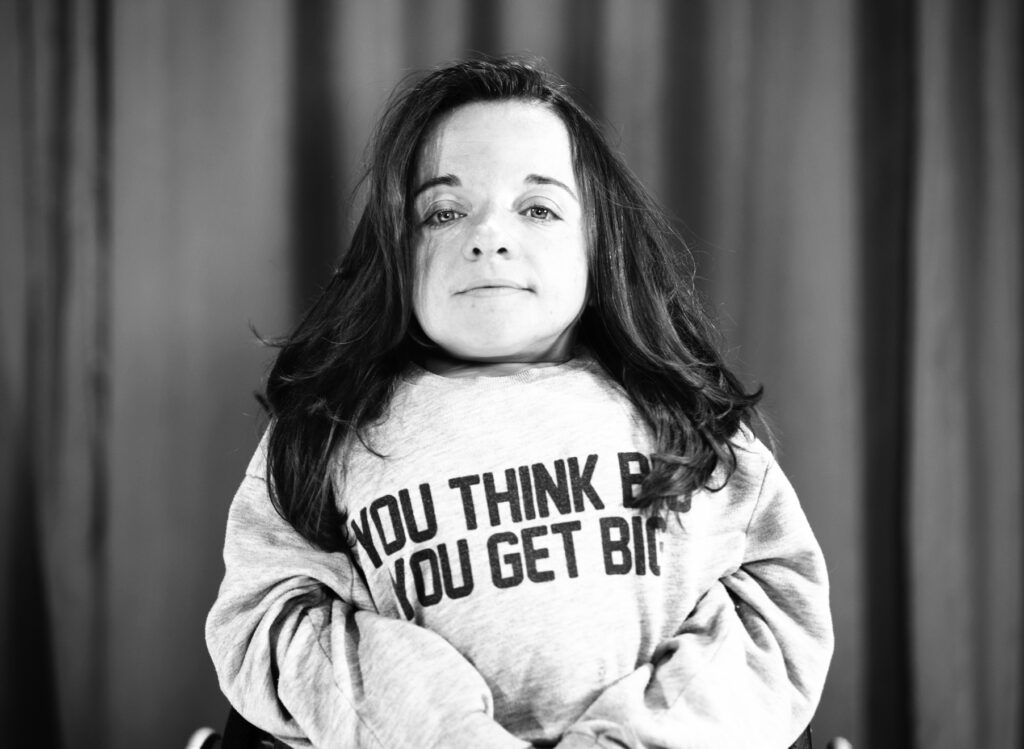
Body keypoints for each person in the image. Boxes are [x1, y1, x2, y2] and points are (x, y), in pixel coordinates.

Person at [205, 56, 833, 749]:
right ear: (394, 252)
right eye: (443, 212)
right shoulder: (329, 427)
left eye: (538, 209)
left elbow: (775, 607)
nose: (489, 236)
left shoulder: (683, 415)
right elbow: (268, 620)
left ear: (598, 247)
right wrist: (439, 733)